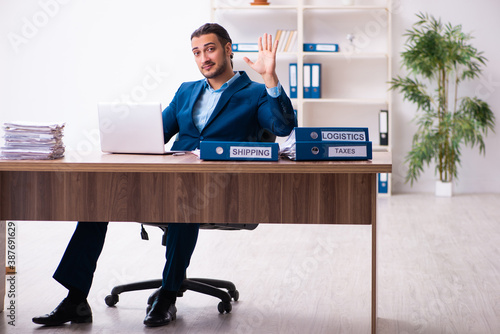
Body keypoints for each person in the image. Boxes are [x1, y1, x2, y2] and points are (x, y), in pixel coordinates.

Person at [32, 23, 295, 328]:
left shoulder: (255, 93)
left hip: (220, 192)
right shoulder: (186, 91)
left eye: (209, 49)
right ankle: (75, 299)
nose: (203, 58)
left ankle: (167, 296)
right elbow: (155, 133)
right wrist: (124, 140)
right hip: (171, 183)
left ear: (227, 49)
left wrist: (270, 77)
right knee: (97, 203)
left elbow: (283, 126)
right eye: (196, 52)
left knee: (184, 202)